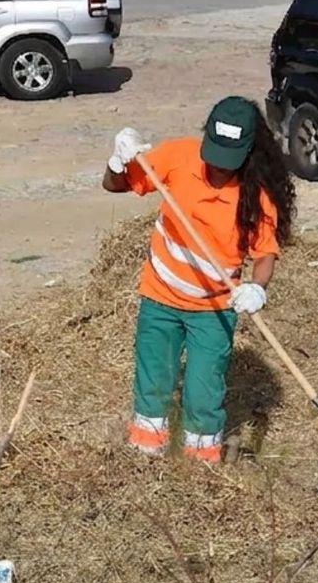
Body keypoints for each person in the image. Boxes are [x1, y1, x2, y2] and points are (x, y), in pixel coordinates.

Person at [102, 96, 296, 464]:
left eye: (229, 163)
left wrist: (257, 287)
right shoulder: (177, 156)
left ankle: (200, 465)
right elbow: (114, 185)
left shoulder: (257, 193)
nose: (219, 170)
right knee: (154, 379)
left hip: (214, 310)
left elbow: (265, 252)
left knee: (204, 391)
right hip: (160, 297)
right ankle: (146, 452)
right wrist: (118, 160)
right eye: (215, 156)